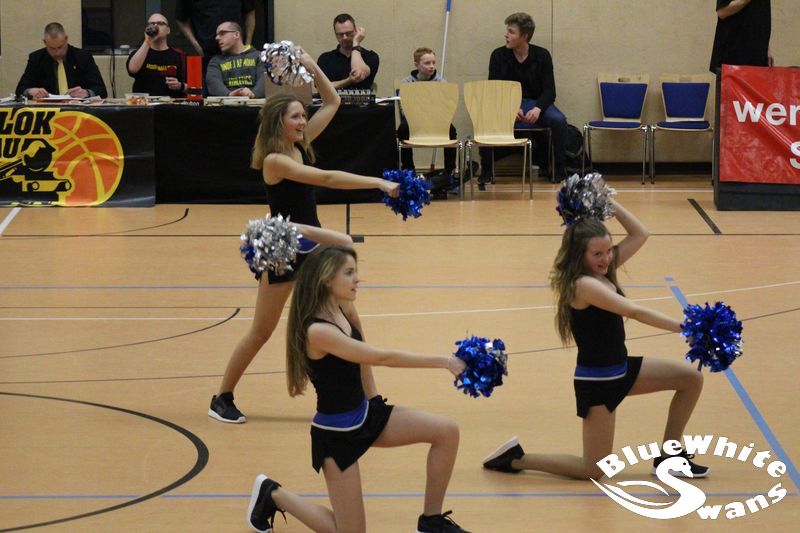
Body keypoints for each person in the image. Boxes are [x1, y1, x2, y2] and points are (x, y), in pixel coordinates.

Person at [209, 46, 399, 424]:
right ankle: (222, 397)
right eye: (296, 116)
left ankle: (373, 399)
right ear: (279, 124)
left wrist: (310, 65)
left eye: (302, 115)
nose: (303, 120)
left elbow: (332, 102)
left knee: (352, 322)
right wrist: (378, 182)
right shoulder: (275, 160)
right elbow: (327, 178)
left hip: (314, 251)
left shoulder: (299, 145)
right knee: (261, 332)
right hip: (285, 250)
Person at [245, 245, 471, 533]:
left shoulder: (342, 308)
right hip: (337, 435)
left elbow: (361, 344)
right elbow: (379, 356)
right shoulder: (318, 331)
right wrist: (445, 362)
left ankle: (431, 521)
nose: (357, 279)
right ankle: (273, 494)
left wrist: (373, 396)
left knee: (446, 432)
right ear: (327, 278)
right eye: (349, 273)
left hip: (365, 414)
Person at [482, 198, 708, 480]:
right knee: (594, 470)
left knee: (691, 379)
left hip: (621, 369)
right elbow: (634, 311)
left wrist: (607, 201)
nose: (606, 258)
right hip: (598, 381)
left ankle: (669, 456)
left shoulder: (602, 270)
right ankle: (515, 459)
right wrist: (686, 328)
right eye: (597, 254)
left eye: (608, 251)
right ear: (580, 255)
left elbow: (640, 234)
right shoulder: (583, 285)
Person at [479, 12, 568, 189]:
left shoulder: (542, 55)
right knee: (485, 120)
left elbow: (550, 91)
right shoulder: (498, 55)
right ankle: (486, 171)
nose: (506, 35)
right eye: (507, 31)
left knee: (559, 121)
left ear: (524, 36)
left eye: (511, 32)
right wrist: (511, 108)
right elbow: (494, 89)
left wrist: (538, 108)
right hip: (507, 104)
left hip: (536, 103)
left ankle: (558, 170)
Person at [396, 47, 458, 180]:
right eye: (427, 63)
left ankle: (449, 172)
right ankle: (409, 170)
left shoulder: (442, 83)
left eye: (433, 62)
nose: (432, 66)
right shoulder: (406, 83)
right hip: (414, 121)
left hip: (436, 121)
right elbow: (404, 108)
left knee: (451, 130)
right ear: (417, 65)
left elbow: (446, 108)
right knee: (403, 129)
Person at [15, 22, 107, 99]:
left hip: (78, 109)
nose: (57, 52)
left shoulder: (83, 57)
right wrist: (30, 91)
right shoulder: (36, 58)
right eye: (52, 48)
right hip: (48, 109)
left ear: (66, 39)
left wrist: (86, 93)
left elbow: (101, 90)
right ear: (45, 42)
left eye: (60, 47)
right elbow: (20, 90)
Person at [175, 0, 255, 72]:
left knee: (242, 81)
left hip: (238, 52)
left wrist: (247, 45)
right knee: (212, 81)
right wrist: (197, 46)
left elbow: (250, 12)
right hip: (209, 53)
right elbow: (180, 19)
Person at [126, 13, 187, 98]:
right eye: (152, 24)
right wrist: (148, 41)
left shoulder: (180, 55)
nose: (155, 26)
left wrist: (180, 86)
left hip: (171, 103)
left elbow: (196, 89)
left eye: (160, 23)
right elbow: (132, 69)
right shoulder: (140, 52)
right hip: (144, 103)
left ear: (168, 30)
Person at [317, 13, 379, 91]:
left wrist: (356, 42)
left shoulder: (370, 56)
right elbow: (320, 87)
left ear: (356, 31)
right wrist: (348, 80)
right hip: (332, 99)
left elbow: (358, 74)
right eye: (340, 34)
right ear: (336, 35)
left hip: (362, 99)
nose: (345, 37)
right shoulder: (325, 58)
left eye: (348, 33)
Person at [710, 0, 772, 73]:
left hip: (758, 58)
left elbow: (759, 17)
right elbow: (722, 11)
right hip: (733, 57)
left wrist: (766, 48)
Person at [205, 21, 264, 98]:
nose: (217, 38)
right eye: (217, 35)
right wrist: (230, 94)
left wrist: (253, 94)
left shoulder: (260, 57)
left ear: (236, 35)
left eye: (222, 33)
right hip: (226, 104)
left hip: (255, 103)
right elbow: (213, 82)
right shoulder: (215, 61)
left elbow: (265, 80)